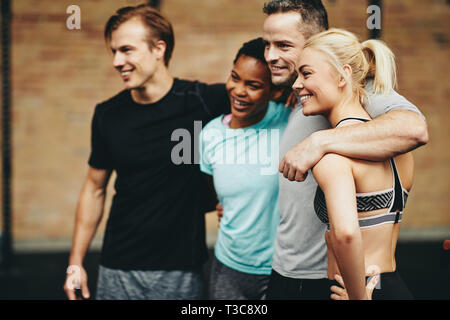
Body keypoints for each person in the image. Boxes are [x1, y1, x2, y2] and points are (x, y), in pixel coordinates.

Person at [261, 0, 428, 299]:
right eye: (267, 45)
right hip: (387, 281)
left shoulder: (364, 96)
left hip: (340, 284)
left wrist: (319, 142)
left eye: (284, 45)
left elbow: (415, 128)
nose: (271, 55)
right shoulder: (303, 100)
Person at [63, 4, 230, 300]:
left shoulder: (203, 101)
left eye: (126, 50)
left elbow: (267, 94)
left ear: (158, 48)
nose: (116, 61)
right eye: (113, 51)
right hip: (117, 266)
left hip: (179, 269)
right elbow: (94, 188)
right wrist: (75, 262)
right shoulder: (108, 114)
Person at [293, 28, 414, 300]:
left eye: (306, 73)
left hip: (355, 290)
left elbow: (346, 234)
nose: (296, 84)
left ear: (342, 74)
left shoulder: (331, 155)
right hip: (393, 286)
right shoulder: (400, 150)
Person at [199, 38, 289, 299]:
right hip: (229, 268)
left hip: (282, 269)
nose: (239, 90)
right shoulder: (210, 135)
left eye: (253, 85)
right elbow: (215, 192)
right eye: (235, 77)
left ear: (275, 91)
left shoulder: (292, 120)